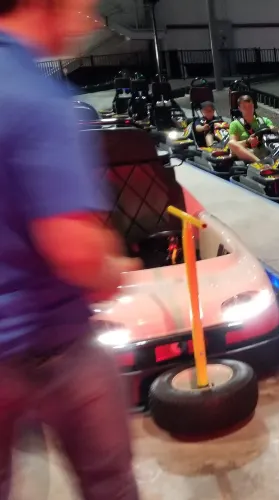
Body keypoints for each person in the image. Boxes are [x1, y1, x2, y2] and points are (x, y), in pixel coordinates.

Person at [0, 0, 142, 498]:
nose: (90, 15)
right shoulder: (38, 98)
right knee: (110, 483)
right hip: (46, 341)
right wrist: (113, 267)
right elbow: (76, 253)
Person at [228, 95, 277, 164]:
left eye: (250, 106)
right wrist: (248, 142)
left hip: (266, 150)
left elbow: (275, 130)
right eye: (244, 107)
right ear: (239, 108)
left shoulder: (264, 120)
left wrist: (272, 128)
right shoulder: (235, 124)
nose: (248, 109)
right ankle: (259, 163)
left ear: (253, 106)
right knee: (231, 143)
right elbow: (233, 145)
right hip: (249, 153)